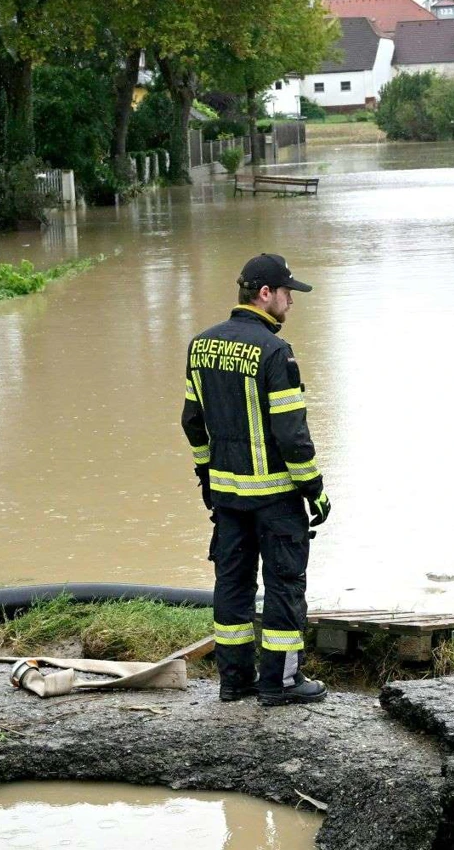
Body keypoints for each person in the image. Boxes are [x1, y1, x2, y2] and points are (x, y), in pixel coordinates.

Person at [181, 253, 332, 706]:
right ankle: (281, 683)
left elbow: (192, 422)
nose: (291, 302)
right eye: (288, 293)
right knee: (285, 584)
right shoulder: (274, 351)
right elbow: (292, 435)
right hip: (275, 499)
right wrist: (315, 490)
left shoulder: (201, 345)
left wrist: (207, 477)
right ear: (265, 294)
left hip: (227, 498)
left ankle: (234, 681)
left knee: (232, 586)